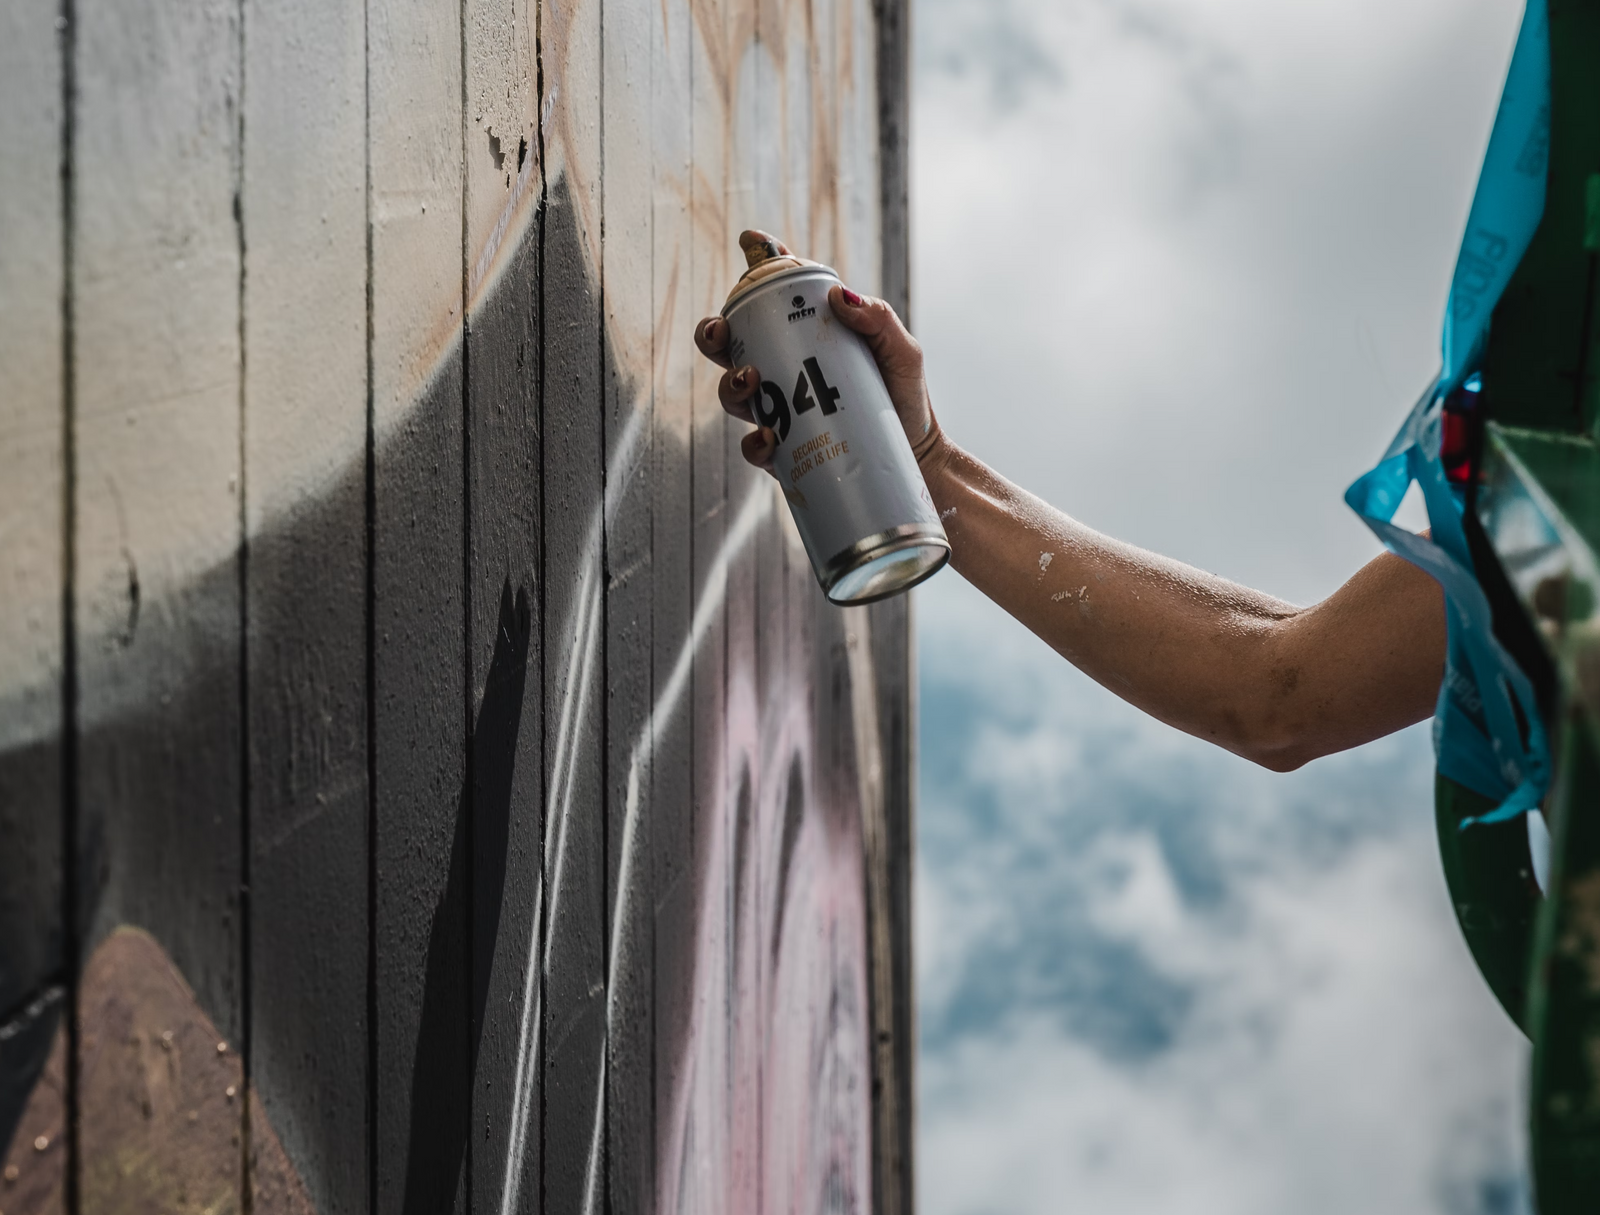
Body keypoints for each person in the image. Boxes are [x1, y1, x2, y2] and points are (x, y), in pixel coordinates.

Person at [696, 232, 1446, 773]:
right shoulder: (1533, 529)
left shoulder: (1553, 541)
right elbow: (1275, 685)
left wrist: (924, 469)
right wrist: (917, 460)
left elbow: (1278, 693)